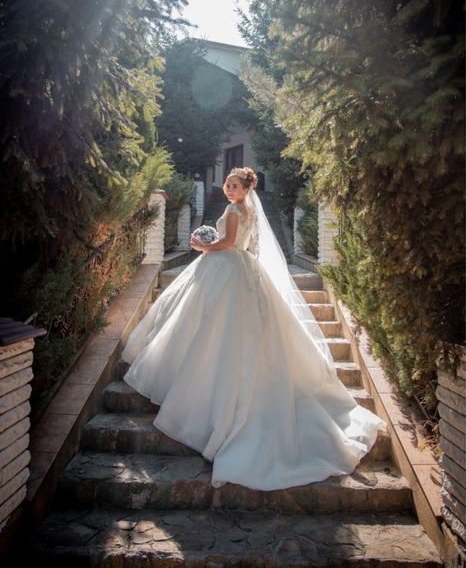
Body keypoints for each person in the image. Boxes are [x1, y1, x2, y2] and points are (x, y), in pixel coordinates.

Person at [122, 166, 386, 491]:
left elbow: (229, 242)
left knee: (215, 327)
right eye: (227, 185)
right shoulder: (246, 209)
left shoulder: (236, 210)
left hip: (228, 266)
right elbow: (240, 244)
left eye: (234, 185)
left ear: (246, 189)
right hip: (240, 267)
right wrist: (212, 243)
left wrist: (203, 246)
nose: (228, 189)